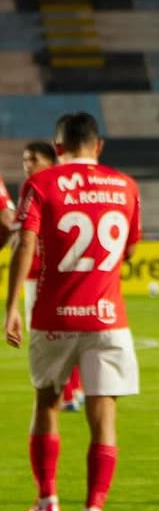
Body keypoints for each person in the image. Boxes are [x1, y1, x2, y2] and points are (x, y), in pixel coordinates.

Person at [4, 113, 142, 511]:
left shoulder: (40, 184)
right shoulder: (125, 186)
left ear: (57, 147)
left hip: (54, 316)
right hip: (107, 317)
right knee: (104, 414)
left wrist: (10, 307)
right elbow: (130, 251)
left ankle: (48, 502)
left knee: (47, 403)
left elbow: (24, 243)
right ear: (98, 146)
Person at [17, 142, 85, 412]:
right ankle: (74, 390)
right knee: (69, 333)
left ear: (50, 160)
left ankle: (66, 394)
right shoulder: (64, 188)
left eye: (33, 159)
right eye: (24, 160)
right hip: (59, 275)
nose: (27, 165)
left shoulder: (40, 189)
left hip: (40, 276)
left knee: (48, 338)